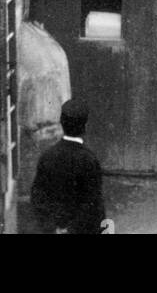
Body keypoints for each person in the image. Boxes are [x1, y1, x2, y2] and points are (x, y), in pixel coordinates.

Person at [30, 99, 106, 235]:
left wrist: (53, 228)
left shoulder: (47, 156)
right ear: (86, 126)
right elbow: (94, 205)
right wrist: (72, 229)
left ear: (61, 123)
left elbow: (38, 198)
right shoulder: (89, 160)